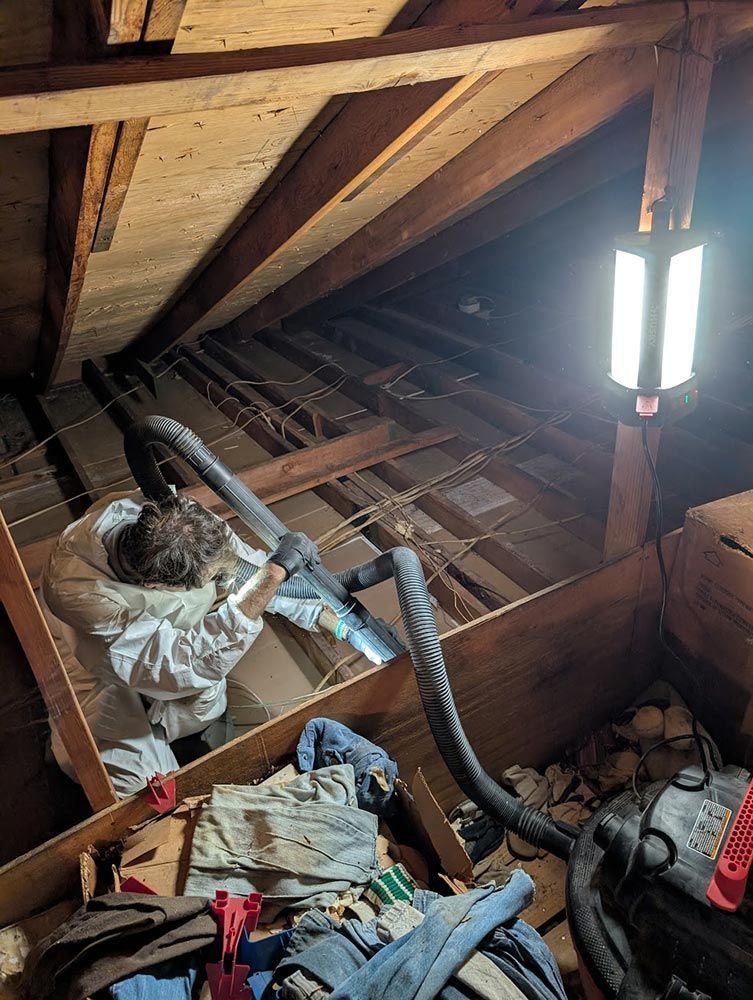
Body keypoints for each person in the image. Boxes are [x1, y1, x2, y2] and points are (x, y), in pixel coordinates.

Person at [41, 491, 337, 797]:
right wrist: (273, 575)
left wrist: (322, 614)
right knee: (137, 780)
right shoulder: (76, 588)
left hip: (160, 644)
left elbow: (245, 569)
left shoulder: (178, 519)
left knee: (208, 700)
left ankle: (169, 727)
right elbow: (176, 665)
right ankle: (64, 744)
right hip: (93, 658)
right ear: (157, 586)